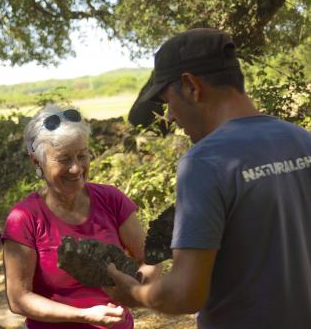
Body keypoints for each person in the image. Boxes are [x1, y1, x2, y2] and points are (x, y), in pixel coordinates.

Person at [105, 28, 311, 329]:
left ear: (191, 86)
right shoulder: (302, 141)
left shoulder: (205, 161)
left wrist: (133, 292)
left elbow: (186, 293)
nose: (171, 117)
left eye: (167, 102)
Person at [2, 104, 147, 328]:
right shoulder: (24, 218)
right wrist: (84, 315)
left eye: (82, 155)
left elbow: (148, 257)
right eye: (64, 159)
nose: (76, 169)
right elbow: (19, 298)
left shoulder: (111, 199)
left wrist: (137, 292)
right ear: (37, 162)